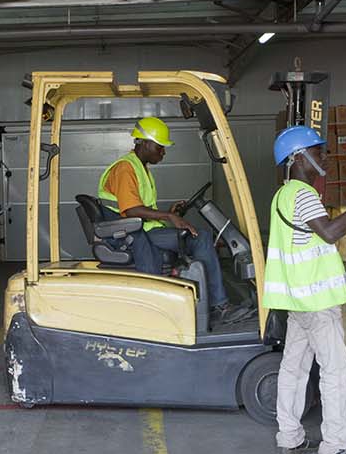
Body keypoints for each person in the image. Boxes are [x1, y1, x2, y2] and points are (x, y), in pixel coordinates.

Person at [265, 125, 346, 454]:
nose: (325, 157)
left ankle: (289, 437)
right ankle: (336, 447)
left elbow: (312, 243)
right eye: (318, 151)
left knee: (294, 368)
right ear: (298, 157)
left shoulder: (283, 195)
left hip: (300, 302)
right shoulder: (303, 194)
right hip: (317, 305)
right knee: (336, 372)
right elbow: (330, 233)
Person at [97, 116, 252, 325]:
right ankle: (220, 306)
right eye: (160, 147)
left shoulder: (139, 167)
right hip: (130, 234)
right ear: (145, 143)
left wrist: (169, 212)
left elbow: (139, 208)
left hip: (141, 229)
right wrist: (169, 216)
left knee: (200, 237)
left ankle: (210, 301)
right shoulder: (126, 168)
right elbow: (131, 210)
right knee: (200, 237)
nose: (163, 152)